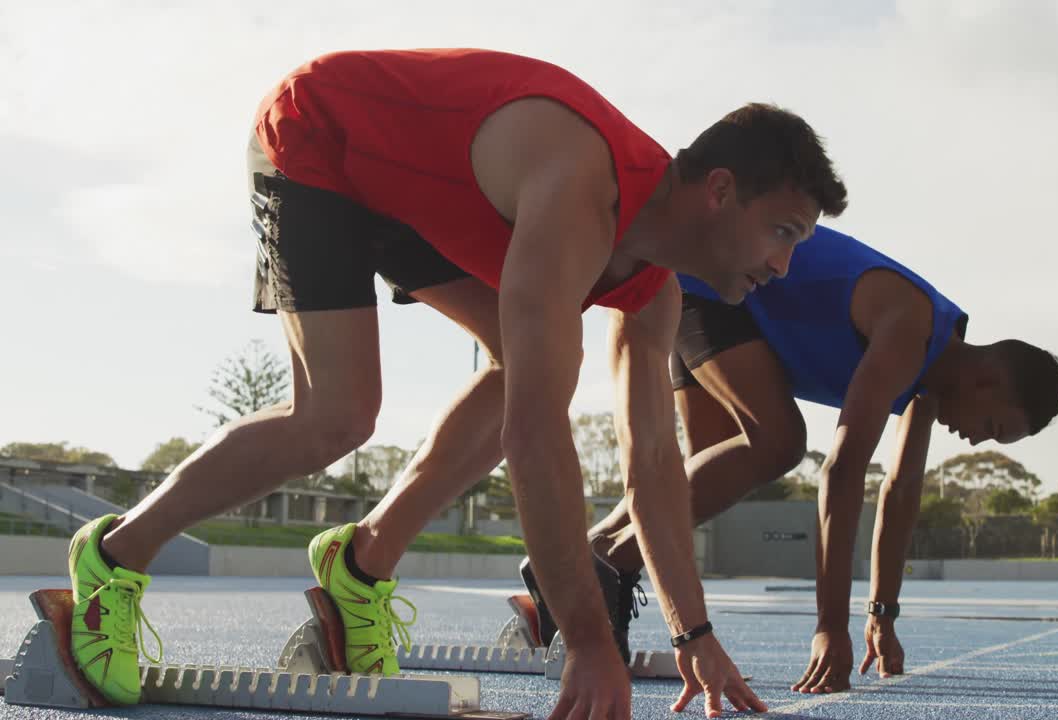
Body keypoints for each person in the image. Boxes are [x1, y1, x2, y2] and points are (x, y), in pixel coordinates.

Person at [63, 48, 847, 719]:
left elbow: (652, 469)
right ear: (717, 191)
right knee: (337, 416)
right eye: (783, 233)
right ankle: (115, 557)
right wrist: (585, 639)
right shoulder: (582, 190)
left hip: (416, 191)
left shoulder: (655, 291)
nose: (782, 266)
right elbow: (535, 436)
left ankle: (361, 564)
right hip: (320, 136)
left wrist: (694, 635)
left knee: (526, 367)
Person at [574, 225, 1058, 693]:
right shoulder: (911, 329)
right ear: (988, 382)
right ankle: (606, 563)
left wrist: (882, 612)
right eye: (993, 429)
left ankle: (573, 569)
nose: (977, 442)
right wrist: (831, 627)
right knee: (779, 441)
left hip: (740, 314)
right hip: (718, 281)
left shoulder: (931, 383)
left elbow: (899, 493)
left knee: (711, 471)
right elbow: (844, 471)